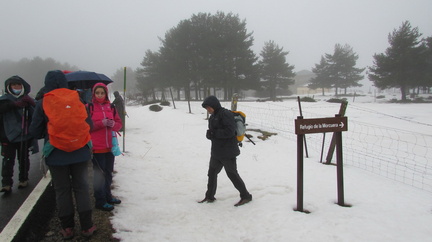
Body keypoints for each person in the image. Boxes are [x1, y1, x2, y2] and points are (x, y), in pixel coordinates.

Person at [29, 70, 96, 239]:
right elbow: (89, 125)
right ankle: (88, 226)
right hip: (80, 152)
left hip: (56, 154)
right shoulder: (77, 99)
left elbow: (35, 132)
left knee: (62, 190)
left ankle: (67, 228)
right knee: (81, 188)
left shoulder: (43, 102)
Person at [199, 95, 252, 206]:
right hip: (216, 152)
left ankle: (246, 196)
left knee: (232, 174)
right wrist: (209, 135)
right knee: (212, 174)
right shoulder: (213, 116)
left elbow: (230, 131)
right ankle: (209, 196)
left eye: (209, 107)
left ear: (214, 105)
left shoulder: (225, 114)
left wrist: (215, 133)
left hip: (228, 152)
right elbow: (214, 132)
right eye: (206, 108)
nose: (208, 110)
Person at [88, 83, 122, 211]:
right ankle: (100, 200)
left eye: (102, 93)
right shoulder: (89, 107)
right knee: (99, 175)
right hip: (97, 147)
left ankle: (108, 196)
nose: (100, 95)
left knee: (108, 173)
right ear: (94, 94)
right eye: (98, 93)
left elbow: (119, 124)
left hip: (110, 146)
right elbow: (87, 126)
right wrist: (101, 123)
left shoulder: (111, 107)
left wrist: (113, 124)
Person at [0, 75, 35, 192]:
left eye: (18, 85)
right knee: (7, 160)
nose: (16, 87)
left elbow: (36, 114)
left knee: (24, 158)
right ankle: (6, 183)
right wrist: (14, 105)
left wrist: (31, 104)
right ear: (9, 87)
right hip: (7, 136)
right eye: (14, 85)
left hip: (24, 135)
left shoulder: (27, 100)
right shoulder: (4, 99)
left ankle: (23, 179)